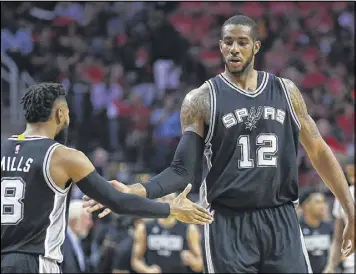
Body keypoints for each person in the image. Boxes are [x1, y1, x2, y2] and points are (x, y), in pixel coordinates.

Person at [84, 15, 355, 273]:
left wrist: (349, 209)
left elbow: (319, 151)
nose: (234, 49)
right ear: (220, 46)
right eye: (228, 42)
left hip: (280, 217)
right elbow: (181, 171)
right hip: (228, 222)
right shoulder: (201, 99)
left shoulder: (286, 91)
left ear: (256, 47)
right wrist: (136, 189)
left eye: (242, 42)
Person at [0, 83, 212, 273]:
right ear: (60, 114)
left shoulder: (3, 149)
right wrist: (170, 209)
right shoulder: (63, 156)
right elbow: (117, 202)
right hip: (37, 261)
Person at [131, 193, 203, 274]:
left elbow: (200, 264)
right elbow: (135, 260)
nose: (167, 202)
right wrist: (147, 270)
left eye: (171, 199)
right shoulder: (144, 228)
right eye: (163, 199)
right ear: (157, 202)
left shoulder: (189, 229)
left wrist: (192, 261)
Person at [324, 157, 355, 273]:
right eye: (350, 176)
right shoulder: (344, 195)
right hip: (350, 265)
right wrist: (331, 265)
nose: (353, 180)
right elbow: (338, 238)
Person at [299, 189, 333, 273]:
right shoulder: (297, 228)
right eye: (318, 202)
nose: (323, 206)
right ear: (306, 205)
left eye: (324, 202)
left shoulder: (329, 227)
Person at [62, 200, 93, 273]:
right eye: (87, 218)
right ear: (73, 220)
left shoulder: (79, 241)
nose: (90, 223)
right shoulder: (61, 243)